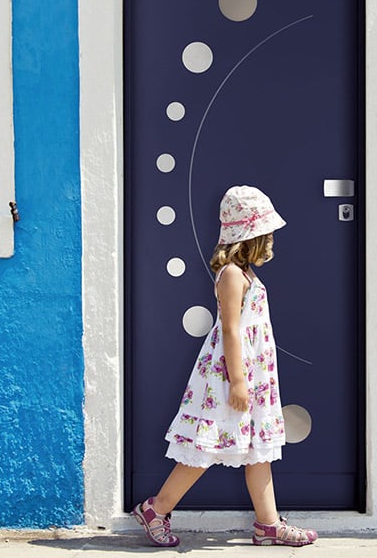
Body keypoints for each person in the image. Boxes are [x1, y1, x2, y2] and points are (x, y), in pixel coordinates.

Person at [132, 185, 319, 548]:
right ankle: (157, 508)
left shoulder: (247, 274)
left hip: (253, 375)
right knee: (205, 448)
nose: (271, 243)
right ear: (249, 237)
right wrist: (237, 382)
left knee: (256, 449)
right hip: (229, 377)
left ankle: (267, 524)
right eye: (266, 235)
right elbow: (231, 330)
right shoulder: (232, 275)